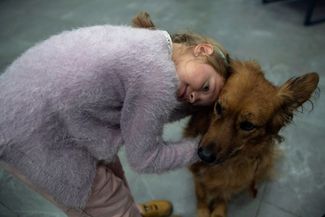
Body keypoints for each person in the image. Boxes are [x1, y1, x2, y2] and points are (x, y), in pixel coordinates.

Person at [0, 12, 231, 217]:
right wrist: (204, 150)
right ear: (203, 49)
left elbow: (142, 112)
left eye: (200, 100)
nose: (194, 97)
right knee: (103, 198)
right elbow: (146, 160)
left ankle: (131, 211)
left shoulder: (156, 43)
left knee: (114, 173)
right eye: (206, 87)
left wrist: (199, 105)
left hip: (33, 100)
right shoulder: (157, 78)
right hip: (30, 132)